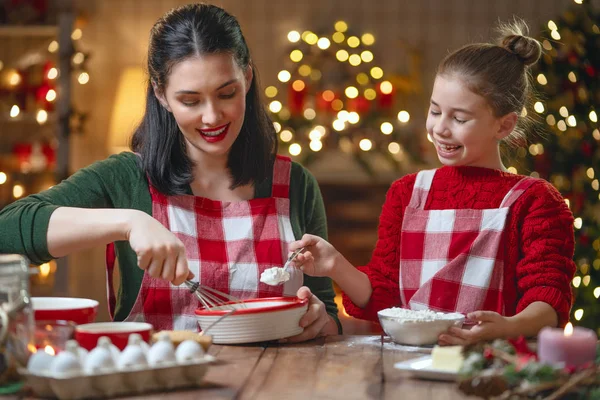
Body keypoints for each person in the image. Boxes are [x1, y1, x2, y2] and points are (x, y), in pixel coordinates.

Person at [0, 3, 340, 342]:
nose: (211, 117)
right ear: (162, 95)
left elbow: (327, 313)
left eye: (227, 93)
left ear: (247, 78)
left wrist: (319, 320)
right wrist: (130, 223)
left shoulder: (296, 185)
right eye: (190, 101)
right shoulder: (127, 179)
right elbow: (7, 231)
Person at [288, 20, 576, 345]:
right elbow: (383, 297)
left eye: (459, 118)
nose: (440, 128)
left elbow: (549, 298)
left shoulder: (534, 200)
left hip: (487, 372)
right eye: (435, 111)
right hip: (407, 373)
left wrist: (507, 328)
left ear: (504, 125)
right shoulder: (408, 193)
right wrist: (335, 265)